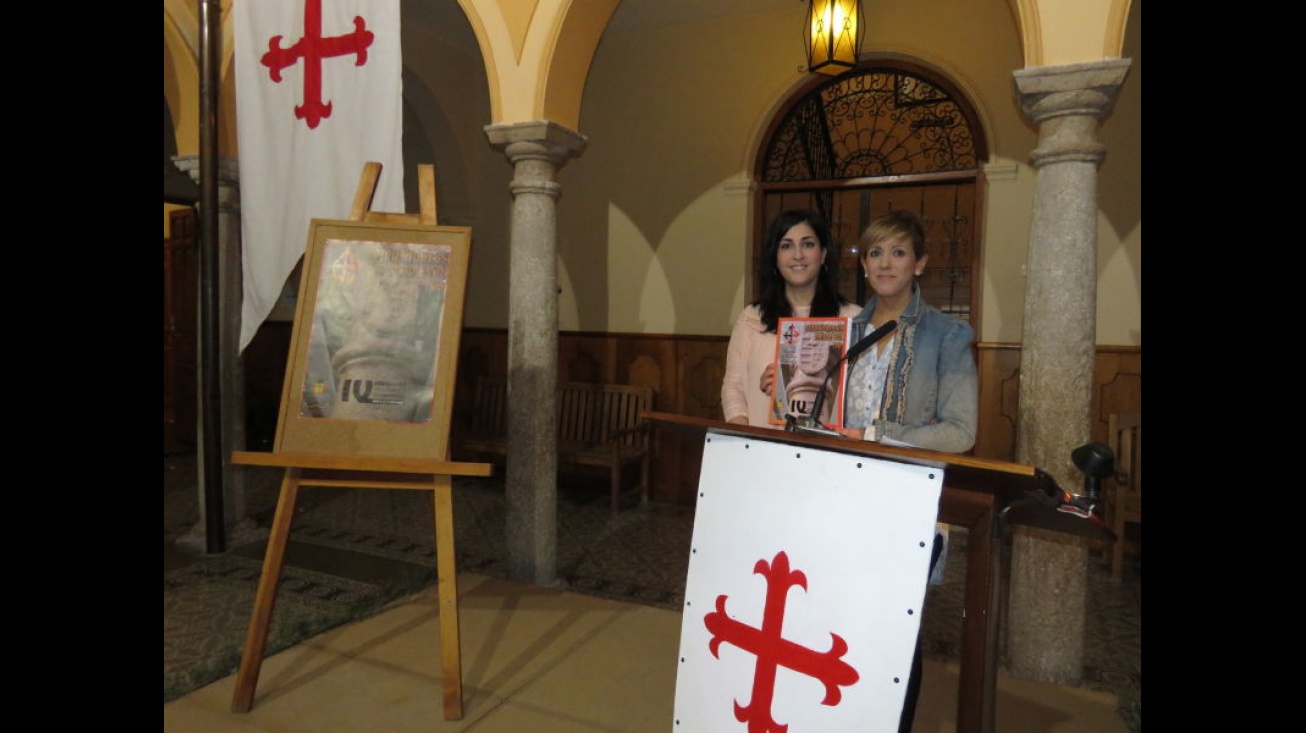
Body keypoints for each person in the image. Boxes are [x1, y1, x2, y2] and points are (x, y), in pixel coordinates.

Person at [838, 208, 978, 733]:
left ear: (919, 263)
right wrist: (788, 386)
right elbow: (819, 412)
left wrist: (879, 437)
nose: (885, 263)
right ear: (864, 264)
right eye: (875, 252)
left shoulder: (946, 335)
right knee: (838, 621)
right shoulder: (841, 330)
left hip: (904, 501)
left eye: (898, 252)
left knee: (895, 634)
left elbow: (961, 430)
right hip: (837, 495)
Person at [721, 209, 861, 426]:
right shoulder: (751, 318)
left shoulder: (853, 318)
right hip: (762, 448)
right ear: (775, 257)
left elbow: (863, 396)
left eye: (808, 244)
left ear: (823, 253)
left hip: (826, 452)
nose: (798, 255)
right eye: (786, 245)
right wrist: (744, 438)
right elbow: (733, 387)